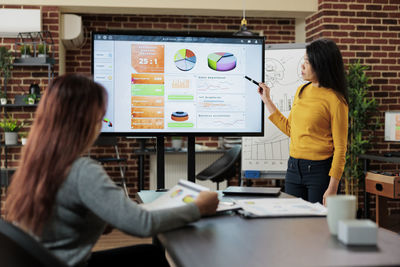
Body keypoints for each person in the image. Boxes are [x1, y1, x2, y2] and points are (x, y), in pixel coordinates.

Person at [5, 74, 219, 267]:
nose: (101, 125)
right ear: (83, 122)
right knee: (151, 257)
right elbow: (143, 225)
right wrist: (199, 208)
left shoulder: (36, 165)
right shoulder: (81, 171)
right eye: (100, 118)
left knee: (149, 254)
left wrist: (107, 218)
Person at [258, 38, 348, 206]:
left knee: (316, 228)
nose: (302, 66)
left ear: (321, 65)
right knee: (291, 223)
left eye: (307, 62)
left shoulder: (336, 100)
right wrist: (267, 100)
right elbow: (291, 129)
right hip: (293, 169)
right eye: (304, 61)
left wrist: (333, 187)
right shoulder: (302, 90)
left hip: (320, 172)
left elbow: (341, 148)